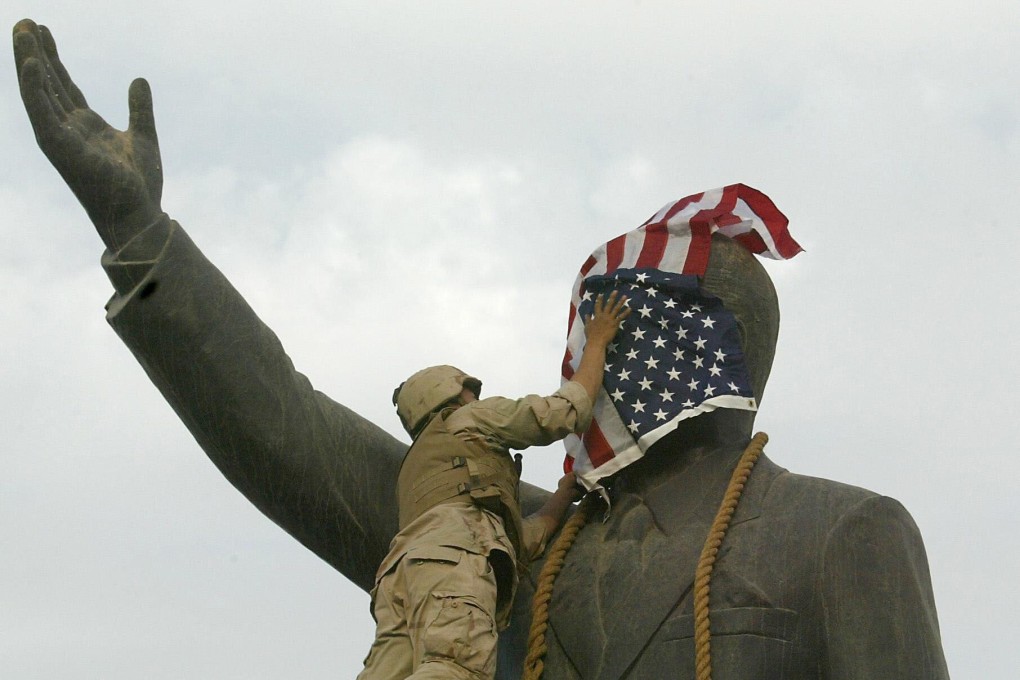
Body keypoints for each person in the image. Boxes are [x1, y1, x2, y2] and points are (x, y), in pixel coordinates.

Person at [14, 19, 949, 679]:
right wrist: (137, 229)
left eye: (623, 320)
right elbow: (288, 430)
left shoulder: (842, 536)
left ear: (712, 347)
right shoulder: (499, 535)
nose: (592, 350)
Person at [360, 291, 629, 679]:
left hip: (399, 580)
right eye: (470, 391)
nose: (476, 396)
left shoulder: (420, 471)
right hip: (453, 566)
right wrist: (598, 341)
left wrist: (561, 497)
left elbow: (517, 539)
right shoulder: (468, 419)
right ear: (452, 394)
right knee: (455, 669)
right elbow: (565, 412)